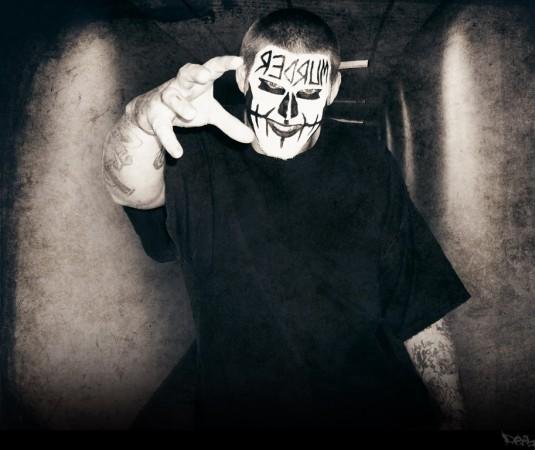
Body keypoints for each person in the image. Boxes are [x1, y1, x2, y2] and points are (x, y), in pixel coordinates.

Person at [102, 8, 470, 429]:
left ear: (332, 89)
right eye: (273, 87)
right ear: (244, 79)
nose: (288, 112)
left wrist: (453, 416)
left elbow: (418, 300)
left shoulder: (366, 158)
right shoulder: (198, 150)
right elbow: (129, 189)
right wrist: (140, 119)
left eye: (309, 93)